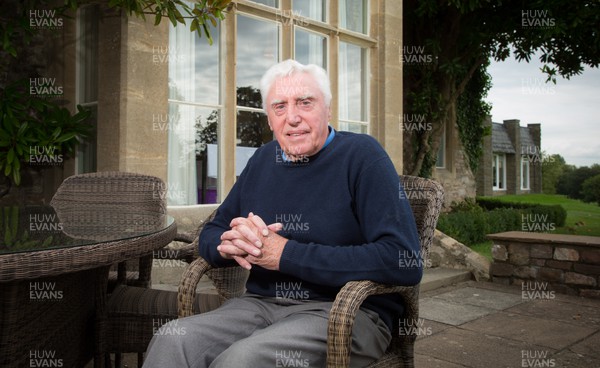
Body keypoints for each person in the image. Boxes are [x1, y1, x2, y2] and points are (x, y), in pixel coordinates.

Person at [143, 59, 422, 368]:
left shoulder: (362, 156)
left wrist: (285, 254)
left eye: (305, 102)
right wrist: (230, 242)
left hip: (345, 313)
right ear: (269, 120)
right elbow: (211, 231)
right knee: (171, 339)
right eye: (280, 107)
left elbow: (402, 260)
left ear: (328, 109)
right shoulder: (263, 160)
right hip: (260, 305)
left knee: (242, 360)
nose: (292, 117)